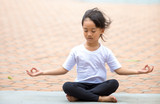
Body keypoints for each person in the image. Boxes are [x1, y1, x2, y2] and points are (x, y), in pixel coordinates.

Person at [26, 8, 154, 103]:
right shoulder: (76, 50)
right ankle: (100, 99)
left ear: (101, 30)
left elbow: (118, 70)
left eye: (93, 31)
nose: (89, 34)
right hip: (80, 85)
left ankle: (79, 97)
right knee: (67, 86)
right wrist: (42, 72)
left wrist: (139, 71)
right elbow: (63, 69)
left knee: (114, 83)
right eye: (85, 30)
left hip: (99, 86)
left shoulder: (106, 52)